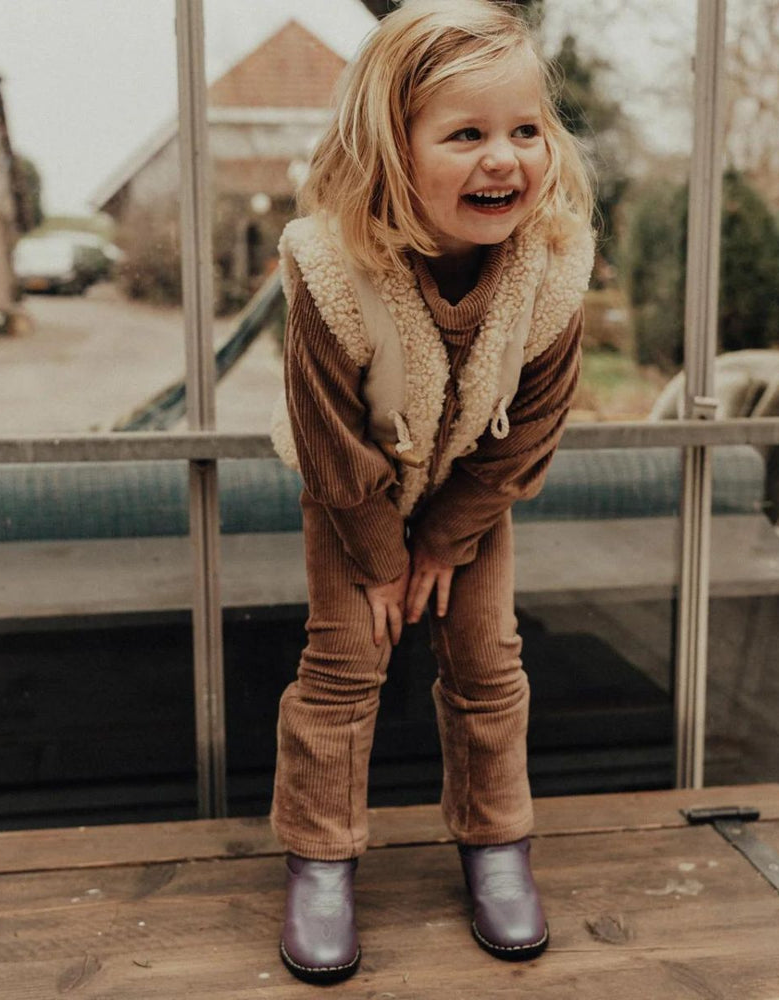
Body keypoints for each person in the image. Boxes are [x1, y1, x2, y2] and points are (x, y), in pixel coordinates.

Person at [268, 0, 594, 984]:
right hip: (351, 495)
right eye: (466, 135)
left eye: (524, 131)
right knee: (343, 663)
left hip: (470, 488)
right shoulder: (331, 269)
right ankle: (320, 858)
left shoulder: (549, 271)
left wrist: (446, 541)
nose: (504, 158)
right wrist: (380, 558)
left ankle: (497, 842)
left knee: (490, 659)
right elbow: (330, 440)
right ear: (391, 150)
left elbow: (532, 423)